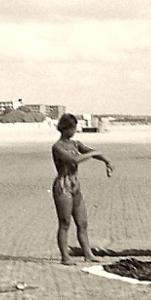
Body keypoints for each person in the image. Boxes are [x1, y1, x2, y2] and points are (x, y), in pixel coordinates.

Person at [51, 113, 114, 265]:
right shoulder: (57, 147)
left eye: (74, 127)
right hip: (63, 186)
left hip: (75, 185)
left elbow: (91, 151)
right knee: (65, 222)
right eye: (71, 128)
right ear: (64, 128)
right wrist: (94, 153)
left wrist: (106, 161)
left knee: (82, 223)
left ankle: (88, 253)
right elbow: (74, 159)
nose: (73, 131)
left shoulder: (75, 144)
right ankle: (65, 256)